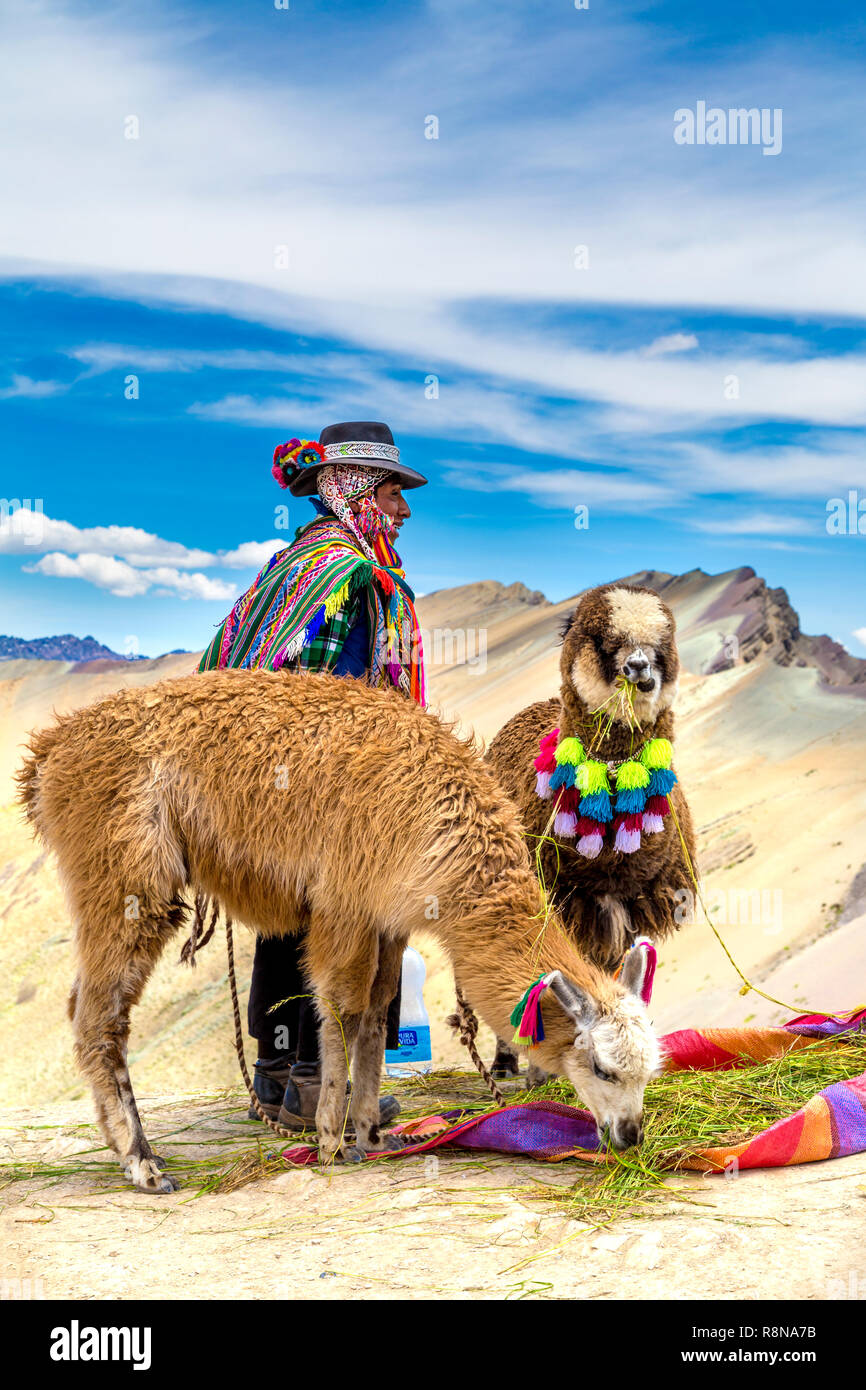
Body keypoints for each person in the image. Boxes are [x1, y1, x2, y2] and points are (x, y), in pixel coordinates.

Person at [197, 422, 427, 1130]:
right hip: (332, 780)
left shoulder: (288, 565)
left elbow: (238, 669)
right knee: (342, 914)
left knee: (284, 909)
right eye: (393, 492)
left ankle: (275, 1074)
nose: (403, 510)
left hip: (267, 783)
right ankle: (313, 1082)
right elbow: (334, 688)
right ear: (358, 488)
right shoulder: (353, 575)